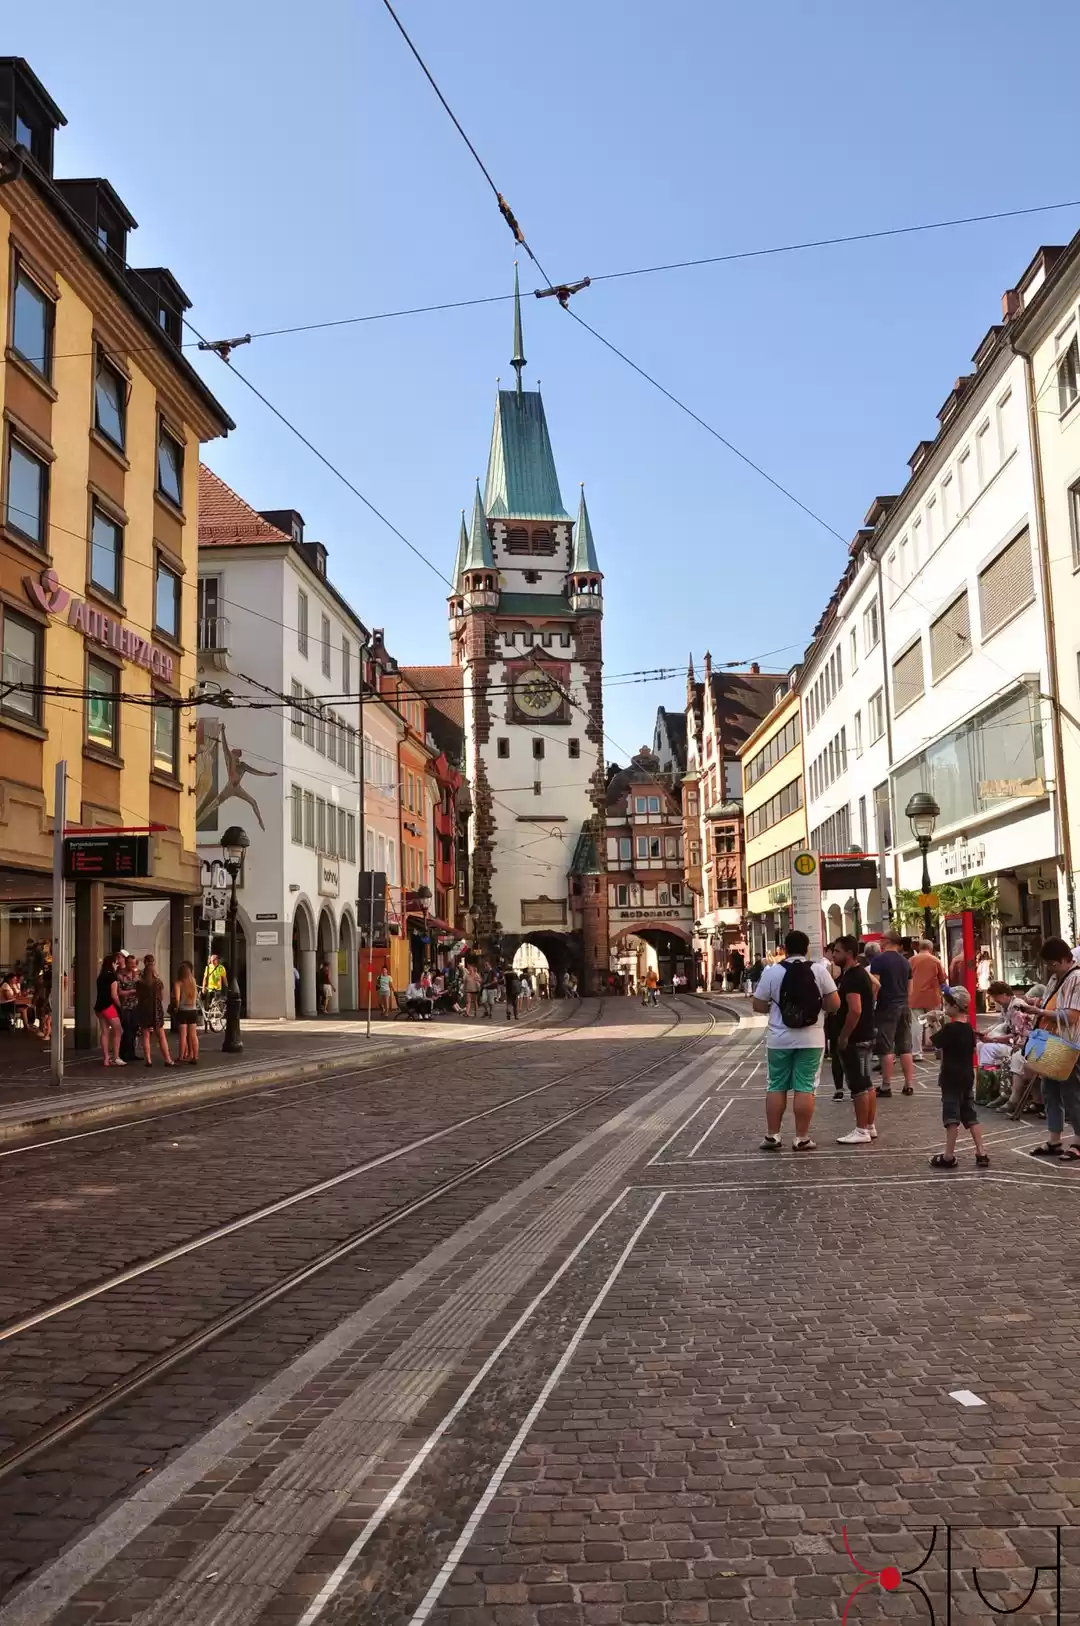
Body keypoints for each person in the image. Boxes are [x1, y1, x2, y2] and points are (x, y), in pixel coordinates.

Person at [752, 929, 840, 1152]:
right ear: (807, 948)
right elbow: (835, 1003)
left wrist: (779, 1007)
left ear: (784, 948)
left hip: (779, 1039)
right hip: (812, 1038)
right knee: (805, 1086)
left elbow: (758, 1005)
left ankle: (773, 1136)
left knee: (776, 1085)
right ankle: (801, 1137)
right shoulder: (819, 971)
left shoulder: (772, 972)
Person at [1010, 938, 1080, 1158]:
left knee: (1071, 1093)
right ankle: (1054, 1139)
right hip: (1051, 1041)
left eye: (1053, 963)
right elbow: (1051, 1004)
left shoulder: (1076, 979)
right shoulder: (1054, 977)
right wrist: (1034, 1005)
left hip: (1069, 1045)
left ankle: (1078, 1140)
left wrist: (1039, 1012)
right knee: (1049, 1091)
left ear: (1065, 960)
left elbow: (1070, 1016)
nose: (1050, 968)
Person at [929, 986, 989, 1169]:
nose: (945, 1007)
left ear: (955, 1007)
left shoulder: (951, 1028)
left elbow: (935, 1043)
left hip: (950, 1077)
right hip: (966, 1075)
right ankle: (981, 1152)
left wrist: (933, 1023)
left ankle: (948, 1156)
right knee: (970, 1114)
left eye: (947, 1004)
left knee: (951, 1117)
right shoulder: (968, 1028)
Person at [830, 936, 879, 1145]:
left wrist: (844, 1036)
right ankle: (869, 1126)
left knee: (858, 1085)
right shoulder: (861, 973)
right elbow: (877, 986)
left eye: (837, 951)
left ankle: (861, 1130)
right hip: (866, 1033)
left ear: (849, 953)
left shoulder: (851, 978)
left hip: (856, 1037)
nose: (833, 955)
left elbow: (855, 1009)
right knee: (867, 1083)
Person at [869, 930, 915, 1097]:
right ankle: (909, 1084)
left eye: (882, 939)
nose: (880, 942)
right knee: (905, 1046)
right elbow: (911, 989)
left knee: (886, 1047)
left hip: (886, 1006)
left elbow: (875, 984)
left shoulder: (878, 960)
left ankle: (886, 1086)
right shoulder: (905, 962)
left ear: (888, 941)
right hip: (903, 1005)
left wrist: (872, 1001)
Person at [909, 938, 946, 1056]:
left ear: (919, 948)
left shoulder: (911, 960)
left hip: (914, 996)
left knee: (916, 1024)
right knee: (934, 1022)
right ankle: (940, 1048)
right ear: (931, 948)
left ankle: (916, 1052)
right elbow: (943, 979)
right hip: (932, 997)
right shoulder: (935, 960)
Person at [136, 956, 174, 1067]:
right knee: (161, 1036)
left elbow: (138, 996)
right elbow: (161, 997)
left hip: (144, 1009)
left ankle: (148, 1060)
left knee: (146, 1036)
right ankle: (167, 1059)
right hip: (156, 1009)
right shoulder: (158, 982)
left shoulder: (140, 983)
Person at [94, 953, 123, 1067]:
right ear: (112, 964)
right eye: (116, 963)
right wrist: (120, 1006)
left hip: (99, 1007)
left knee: (104, 1032)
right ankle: (116, 1057)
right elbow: (114, 995)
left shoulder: (100, 977)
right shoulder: (112, 977)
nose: (117, 966)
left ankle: (106, 1058)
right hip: (108, 1006)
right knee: (118, 1030)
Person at [173, 961, 200, 1064]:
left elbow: (177, 999)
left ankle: (181, 1056)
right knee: (193, 1035)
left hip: (183, 1010)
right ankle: (195, 1056)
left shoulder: (178, 983)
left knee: (183, 1035)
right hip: (193, 1010)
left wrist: (176, 1007)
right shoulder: (193, 982)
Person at [116, 952, 139, 1063]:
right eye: (131, 964)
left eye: (134, 964)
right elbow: (119, 992)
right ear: (127, 963)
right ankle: (123, 1053)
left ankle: (132, 1053)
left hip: (136, 1005)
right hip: (125, 1006)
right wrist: (132, 991)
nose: (133, 966)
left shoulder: (137, 975)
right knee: (126, 1030)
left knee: (134, 1030)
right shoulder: (120, 976)